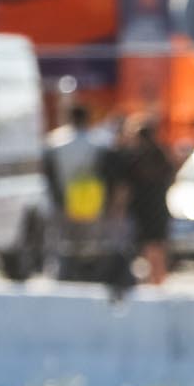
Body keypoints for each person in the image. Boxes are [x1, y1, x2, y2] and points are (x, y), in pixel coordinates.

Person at [44, 102, 114, 284]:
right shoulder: (98, 142)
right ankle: (88, 274)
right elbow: (106, 172)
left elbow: (49, 173)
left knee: (64, 240)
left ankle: (65, 273)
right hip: (91, 199)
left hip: (64, 199)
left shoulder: (55, 142)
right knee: (90, 241)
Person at [120, 116, 175, 287]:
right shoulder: (161, 155)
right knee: (158, 244)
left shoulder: (135, 157)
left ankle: (154, 278)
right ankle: (159, 276)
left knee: (148, 244)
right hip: (158, 204)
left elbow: (126, 185)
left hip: (143, 207)